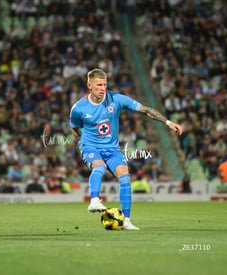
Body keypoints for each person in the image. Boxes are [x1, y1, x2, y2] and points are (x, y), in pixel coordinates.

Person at [69, 68, 183, 230]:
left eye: (105, 84)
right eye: (99, 85)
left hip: (112, 148)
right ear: (89, 85)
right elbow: (74, 129)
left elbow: (145, 110)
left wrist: (168, 123)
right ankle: (94, 200)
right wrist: (83, 146)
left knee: (124, 176)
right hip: (90, 145)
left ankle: (127, 221)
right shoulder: (79, 108)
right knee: (99, 166)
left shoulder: (116, 99)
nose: (102, 88)